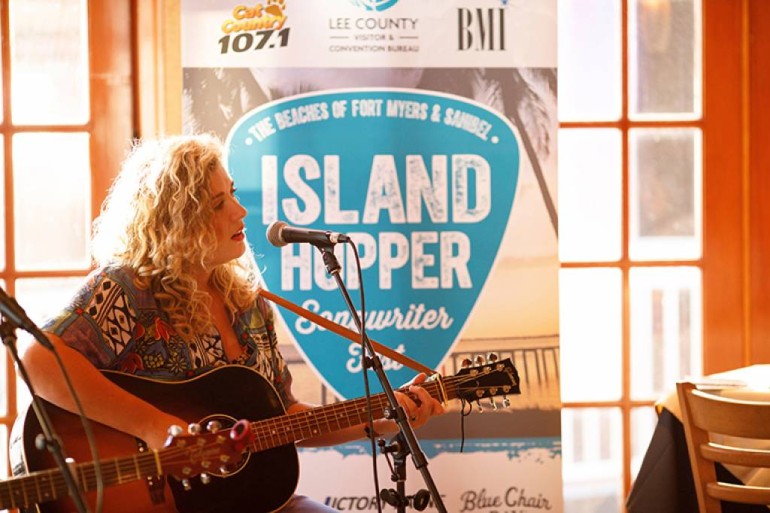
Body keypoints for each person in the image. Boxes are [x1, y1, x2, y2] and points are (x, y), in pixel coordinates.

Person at [19, 133, 444, 512]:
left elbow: (286, 417)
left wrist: (389, 418)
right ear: (177, 221)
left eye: (234, 194)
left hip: (246, 499)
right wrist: (151, 427)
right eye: (219, 203)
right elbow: (38, 359)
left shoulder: (248, 304)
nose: (240, 211)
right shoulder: (130, 288)